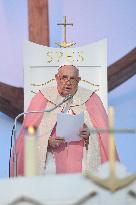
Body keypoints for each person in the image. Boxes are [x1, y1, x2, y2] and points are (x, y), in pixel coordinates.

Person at [10, 64, 118, 176]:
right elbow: (29, 132)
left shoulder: (91, 98)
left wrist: (90, 134)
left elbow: (104, 135)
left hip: (82, 160)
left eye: (72, 78)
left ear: (78, 80)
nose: (68, 82)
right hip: (50, 159)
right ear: (57, 78)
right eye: (64, 77)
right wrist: (46, 141)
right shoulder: (42, 98)